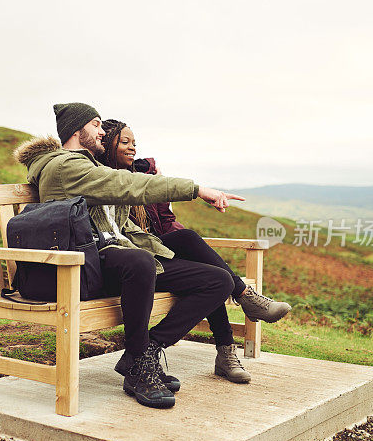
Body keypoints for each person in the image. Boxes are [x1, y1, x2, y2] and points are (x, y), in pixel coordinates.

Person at [13, 102, 252, 410]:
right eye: (96, 124)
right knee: (138, 261)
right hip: (82, 267)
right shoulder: (65, 167)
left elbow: (118, 218)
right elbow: (127, 184)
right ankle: (138, 364)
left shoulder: (88, 166)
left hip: (116, 259)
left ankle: (146, 351)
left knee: (217, 281)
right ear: (76, 130)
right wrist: (196, 189)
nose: (102, 131)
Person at [97, 118, 291, 366]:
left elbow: (166, 219)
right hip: (132, 260)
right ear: (107, 144)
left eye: (135, 142)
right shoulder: (105, 180)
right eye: (125, 142)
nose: (133, 147)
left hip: (153, 251)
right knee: (200, 260)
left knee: (192, 247)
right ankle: (242, 307)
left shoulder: (145, 174)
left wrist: (186, 248)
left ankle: (230, 339)